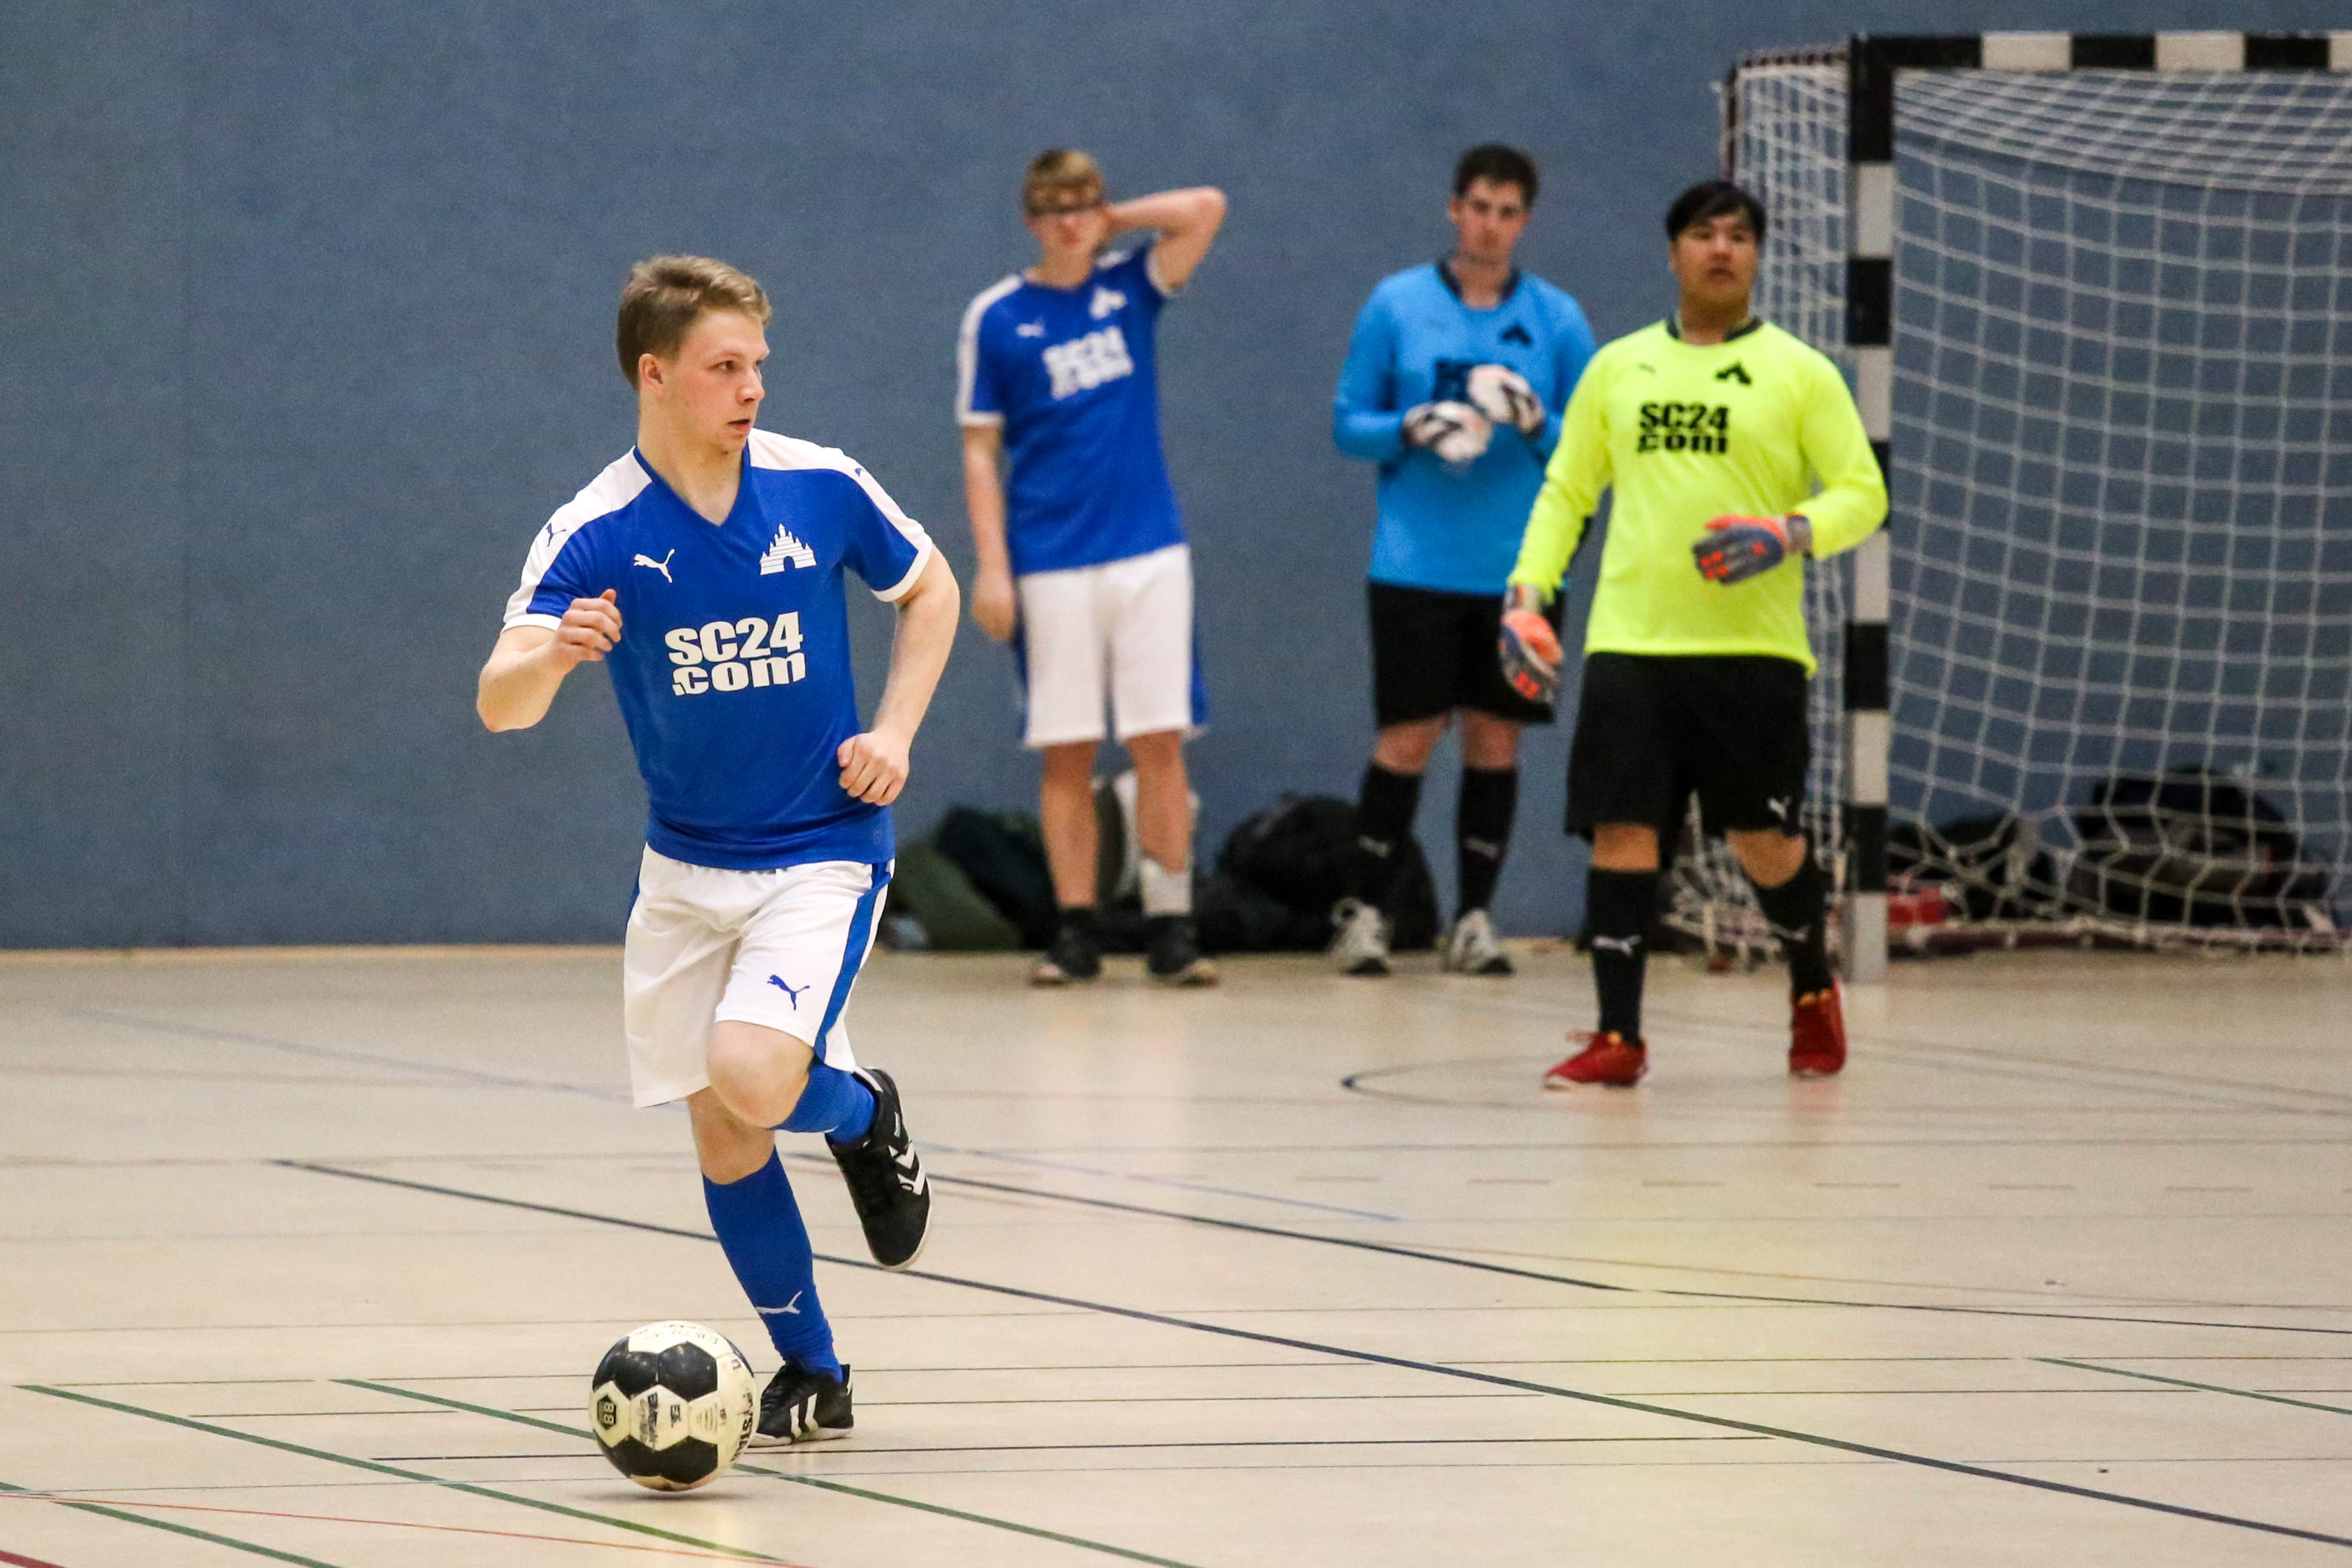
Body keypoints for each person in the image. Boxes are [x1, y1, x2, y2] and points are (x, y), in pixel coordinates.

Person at [477, 256, 959, 1444]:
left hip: (822, 851)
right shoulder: (595, 528)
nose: (751, 387)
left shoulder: (816, 483)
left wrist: (894, 731)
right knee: (724, 1128)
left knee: (752, 1073)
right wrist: (553, 655)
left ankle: (858, 1113)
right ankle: (816, 1371)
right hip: (686, 873)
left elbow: (930, 587)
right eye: (723, 366)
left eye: (757, 365)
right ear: (655, 375)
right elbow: (498, 702)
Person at [1499, 180, 1886, 1085]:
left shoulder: (1799, 373)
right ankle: (1618, 1037)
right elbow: (1566, 492)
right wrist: (1525, 596)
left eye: (1739, 236)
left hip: (1752, 654)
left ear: (1756, 256)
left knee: (1763, 842)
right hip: (1632, 644)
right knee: (1623, 830)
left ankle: (1810, 985)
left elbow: (1863, 493)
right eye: (1704, 234)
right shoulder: (1618, 368)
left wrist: (1788, 531)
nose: (1721, 249)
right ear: (1671, 252)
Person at [957, 150, 1227, 987]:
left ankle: (1171, 922)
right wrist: (993, 567)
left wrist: (1119, 219)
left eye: (1084, 206)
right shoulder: (998, 317)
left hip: (1148, 551)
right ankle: (1075, 927)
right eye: (1055, 209)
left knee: (1159, 739)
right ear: (1030, 221)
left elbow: (1205, 205)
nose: (1071, 222)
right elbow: (979, 447)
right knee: (1066, 748)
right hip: (1049, 557)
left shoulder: (1131, 287)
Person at [1330, 143, 1596, 977]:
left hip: (1517, 568)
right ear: (1455, 209)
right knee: (1407, 736)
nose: (1489, 225)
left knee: (1495, 737)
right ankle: (1364, 913)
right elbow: (1347, 421)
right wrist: (1410, 426)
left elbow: (1593, 445)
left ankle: (1475, 918)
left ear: (1525, 221)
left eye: (1507, 212)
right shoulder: (1397, 304)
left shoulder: (1556, 319)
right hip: (1415, 563)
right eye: (1478, 207)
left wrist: (1537, 420)